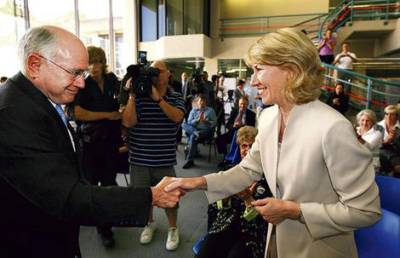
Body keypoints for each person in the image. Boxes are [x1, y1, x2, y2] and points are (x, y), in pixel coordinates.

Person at [165, 28, 381, 258]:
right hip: (275, 242)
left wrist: (294, 211)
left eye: (259, 70)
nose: (253, 80)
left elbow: (365, 211)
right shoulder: (268, 117)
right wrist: (195, 182)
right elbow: (249, 169)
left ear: (291, 70)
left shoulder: (333, 128)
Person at [0, 25, 181, 258]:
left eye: (83, 73)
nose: (82, 83)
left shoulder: (37, 102)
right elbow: (68, 197)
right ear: (35, 65)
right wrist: (151, 196)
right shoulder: (13, 115)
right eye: (74, 72)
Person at [121, 60, 185, 250]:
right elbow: (128, 122)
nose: (156, 74)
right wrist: (132, 95)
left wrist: (158, 99)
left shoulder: (176, 97)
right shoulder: (139, 97)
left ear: (168, 74)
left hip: (164, 159)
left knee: (171, 198)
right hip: (139, 159)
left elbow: (177, 117)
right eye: (153, 71)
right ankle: (150, 223)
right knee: (144, 196)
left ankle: (173, 228)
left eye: (159, 71)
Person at [73, 46, 121, 247]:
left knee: (109, 184)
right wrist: (108, 115)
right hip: (90, 144)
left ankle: (105, 224)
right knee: (93, 187)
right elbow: (78, 113)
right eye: (89, 63)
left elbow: (122, 102)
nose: (93, 67)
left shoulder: (112, 81)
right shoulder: (82, 84)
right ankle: (103, 227)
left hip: (110, 142)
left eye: (97, 62)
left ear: (103, 63)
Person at [199, 126, 270, 258]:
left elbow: (265, 218)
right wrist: (227, 197)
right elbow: (215, 206)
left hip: (251, 232)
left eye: (251, 146)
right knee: (204, 253)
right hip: (226, 223)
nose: (247, 150)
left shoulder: (267, 178)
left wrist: (247, 199)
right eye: (243, 146)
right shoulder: (229, 170)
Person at [181, 94, 217, 169]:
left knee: (192, 136)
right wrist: (197, 120)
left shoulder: (210, 110)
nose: (202, 103)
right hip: (195, 130)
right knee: (183, 124)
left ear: (206, 102)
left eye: (204, 101)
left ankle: (190, 160)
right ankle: (195, 133)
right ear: (197, 102)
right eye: (200, 101)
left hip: (205, 131)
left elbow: (214, 123)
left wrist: (206, 121)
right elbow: (189, 122)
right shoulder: (194, 110)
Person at [378, 105, 400, 177]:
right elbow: (373, 144)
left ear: (396, 117)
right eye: (387, 114)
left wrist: (394, 140)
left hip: (396, 152)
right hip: (381, 151)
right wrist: (386, 141)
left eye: (392, 114)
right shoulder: (377, 126)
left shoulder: (398, 128)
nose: (389, 116)